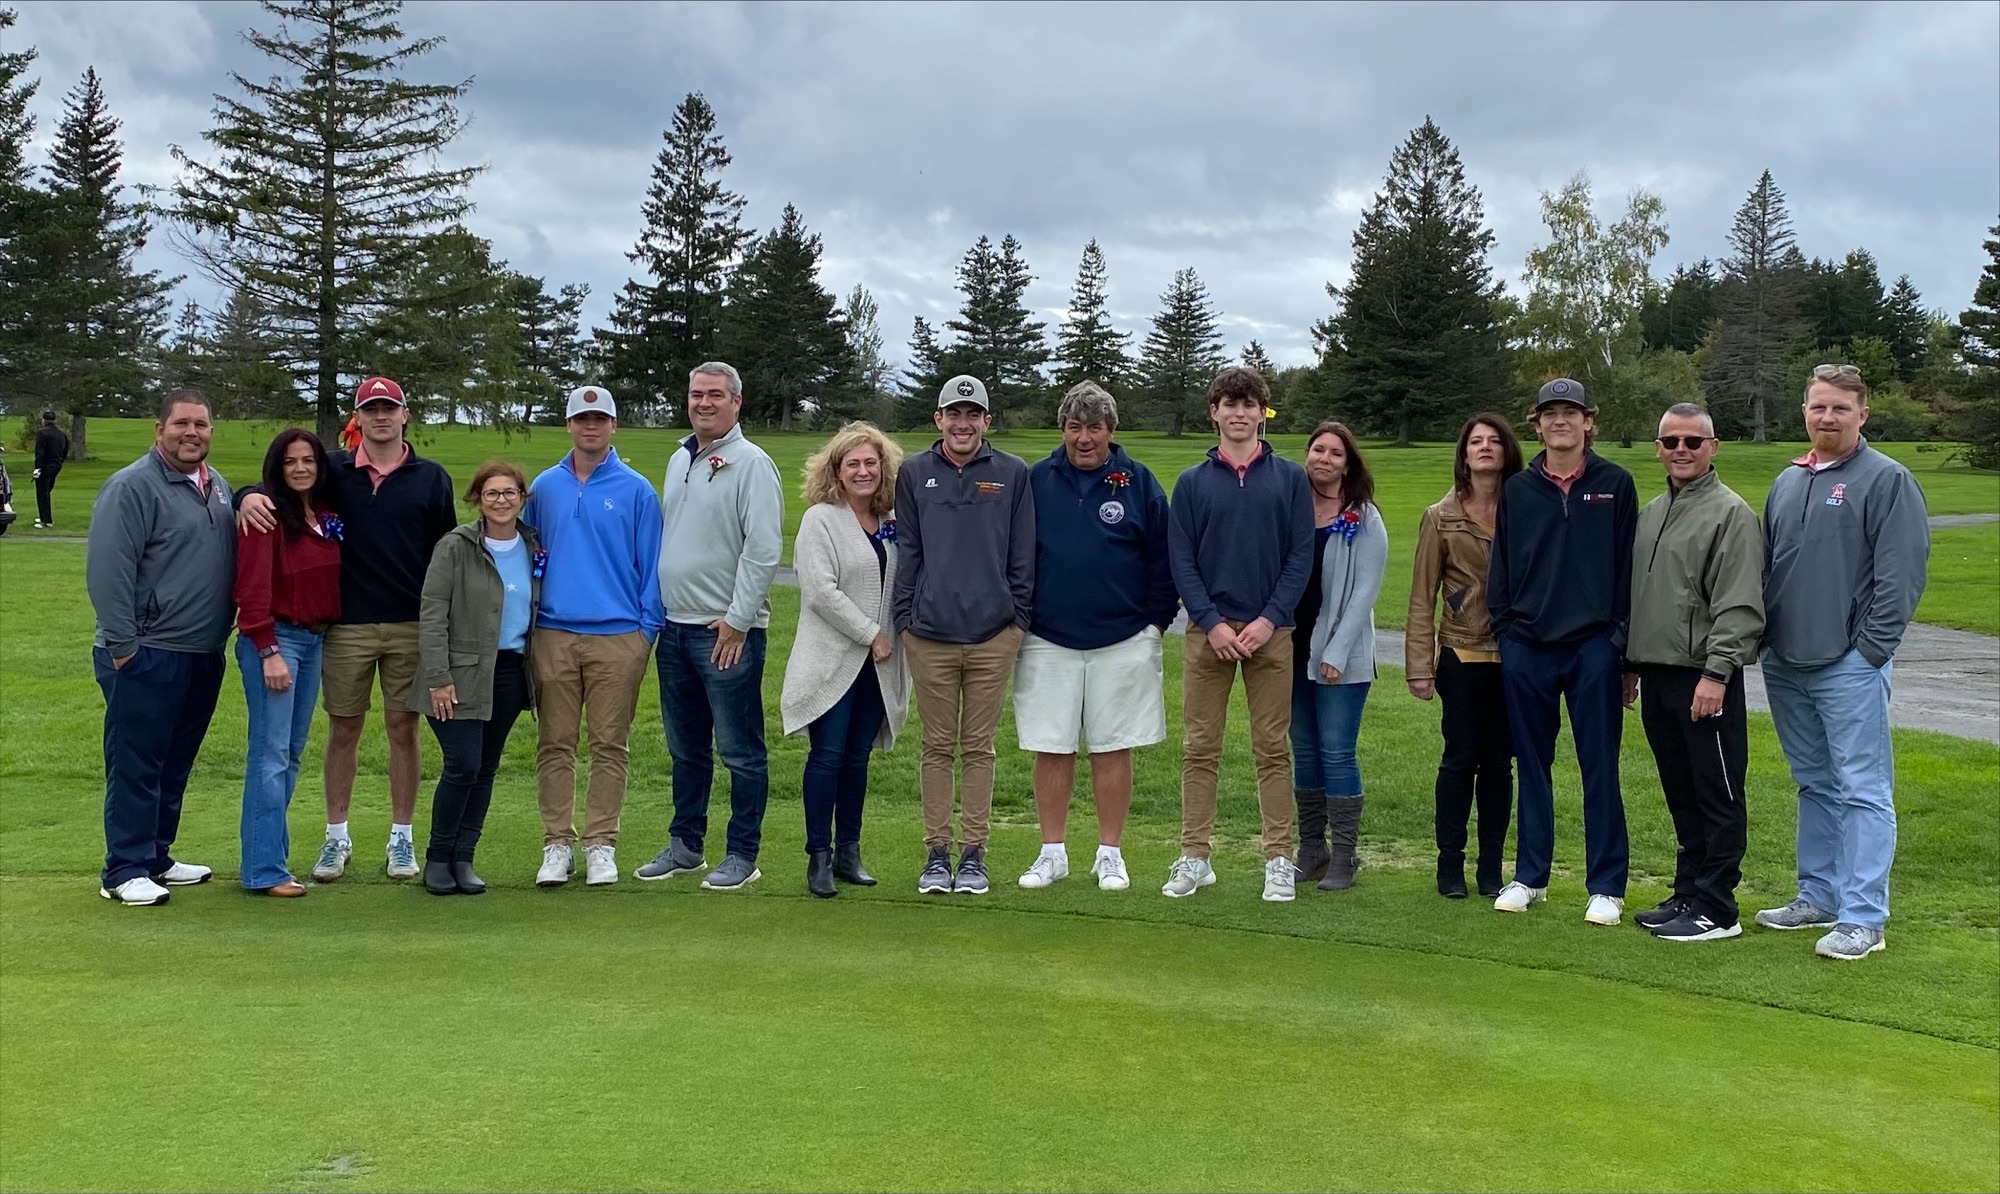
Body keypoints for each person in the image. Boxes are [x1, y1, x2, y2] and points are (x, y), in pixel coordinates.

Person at [238, 376, 457, 883]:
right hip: (344, 626)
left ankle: (401, 839)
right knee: (344, 729)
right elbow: (278, 484)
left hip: (408, 623)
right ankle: (337, 837)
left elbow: (445, 556)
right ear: (357, 420)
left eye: (390, 408)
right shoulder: (334, 470)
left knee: (404, 729)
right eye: (370, 409)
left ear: (406, 414)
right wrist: (245, 494)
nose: (381, 416)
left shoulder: (431, 477)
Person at [1753, 364, 1929, 961]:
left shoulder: (1887, 479)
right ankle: (1819, 897)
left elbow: (1900, 578)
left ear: (1862, 414)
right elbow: (1771, 567)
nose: (1827, 417)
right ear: (1804, 411)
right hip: (1786, 660)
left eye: (1839, 408)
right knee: (1814, 785)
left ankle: (1863, 917)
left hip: (1848, 664)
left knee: (1863, 790)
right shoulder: (1789, 479)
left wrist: (1868, 653)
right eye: (1818, 407)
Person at [1014, 382, 1177, 894]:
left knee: (1112, 747)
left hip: (1124, 637)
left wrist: (1154, 622)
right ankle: (1052, 852)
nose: (1084, 438)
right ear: (1062, 428)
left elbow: (1163, 560)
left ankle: (1110, 853)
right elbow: (1014, 555)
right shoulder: (1036, 480)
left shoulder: (1139, 482)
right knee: (1051, 745)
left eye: (1095, 428)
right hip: (1047, 635)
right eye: (1075, 427)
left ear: (1111, 430)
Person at [1486, 378, 1638, 925]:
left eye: (1570, 413)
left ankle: (1607, 885)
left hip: (1594, 646)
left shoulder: (1615, 484)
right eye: (1550, 414)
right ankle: (1530, 875)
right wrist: (1506, 629)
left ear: (1588, 421)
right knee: (1533, 764)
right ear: (1538, 424)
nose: (1561, 422)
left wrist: (1618, 641)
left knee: (1600, 766)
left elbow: (1627, 570)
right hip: (1527, 645)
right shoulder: (1519, 491)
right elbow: (1500, 567)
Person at [1164, 366, 1314, 902]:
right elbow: (1181, 560)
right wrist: (1210, 622)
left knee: (1271, 749)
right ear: (1214, 412)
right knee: (1200, 748)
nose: (1239, 413)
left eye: (1250, 404)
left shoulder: (1290, 478)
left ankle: (1279, 857)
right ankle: (1194, 856)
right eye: (1230, 403)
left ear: (1262, 412)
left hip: (1271, 634)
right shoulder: (1192, 483)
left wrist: (1268, 619)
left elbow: (1300, 556)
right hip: (1209, 635)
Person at [634, 363, 783, 892]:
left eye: (715, 395)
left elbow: (764, 550)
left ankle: (743, 852)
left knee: (740, 751)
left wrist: (739, 621)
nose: (704, 403)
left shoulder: (752, 464)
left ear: (736, 403)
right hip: (675, 630)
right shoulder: (680, 458)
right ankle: (686, 845)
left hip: (724, 634)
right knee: (686, 748)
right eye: (696, 394)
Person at [1622, 403, 1765, 942]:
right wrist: (1629, 666)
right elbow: (1642, 597)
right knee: (1681, 791)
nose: (1682, 449)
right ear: (1658, 448)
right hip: (1657, 675)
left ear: (1713, 447)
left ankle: (1718, 907)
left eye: (1693, 441)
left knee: (1717, 792)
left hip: (1705, 677)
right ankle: (1688, 892)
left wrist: (1718, 673)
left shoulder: (1731, 514)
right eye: (1671, 441)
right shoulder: (1654, 512)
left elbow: (1739, 604)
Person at [86, 391, 234, 905]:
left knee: (174, 762)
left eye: (202, 424)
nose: (192, 432)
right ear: (159, 430)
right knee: (137, 763)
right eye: (181, 424)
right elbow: (109, 572)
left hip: (201, 652)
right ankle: (122, 868)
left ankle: (155, 856)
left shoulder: (218, 489)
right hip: (145, 651)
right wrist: (126, 648)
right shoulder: (132, 487)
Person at [893, 374, 1035, 896]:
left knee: (978, 748)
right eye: (954, 413)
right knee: (935, 746)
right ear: (939, 420)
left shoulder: (1012, 473)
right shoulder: (914, 473)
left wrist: (1017, 621)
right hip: (928, 634)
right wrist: (905, 619)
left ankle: (974, 854)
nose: (963, 423)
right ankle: (937, 852)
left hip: (993, 634)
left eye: (973, 414)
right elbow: (909, 551)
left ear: (986, 421)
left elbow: (1023, 555)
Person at [522, 385, 665, 888]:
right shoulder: (543, 488)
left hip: (619, 636)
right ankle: (557, 843)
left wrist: (645, 633)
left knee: (610, 744)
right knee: (555, 743)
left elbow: (651, 568)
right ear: (568, 425)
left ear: (613, 425)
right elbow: (528, 557)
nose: (591, 426)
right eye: (582, 419)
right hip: (554, 633)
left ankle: (601, 844)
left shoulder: (637, 490)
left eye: (600, 418)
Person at [779, 423, 911, 898]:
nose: (862, 471)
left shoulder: (893, 518)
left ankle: (849, 852)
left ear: (883, 468)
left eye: (870, 463)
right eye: (852, 463)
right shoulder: (821, 519)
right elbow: (819, 592)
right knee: (828, 757)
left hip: (881, 664)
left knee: (857, 759)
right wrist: (870, 633)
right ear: (836, 470)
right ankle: (819, 856)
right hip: (834, 659)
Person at [1406, 414, 1524, 899]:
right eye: (1476, 441)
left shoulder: (1525, 508)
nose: (1485, 448)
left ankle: (1491, 867)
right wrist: (1419, 665)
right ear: (1464, 452)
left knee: (1500, 765)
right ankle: (1449, 863)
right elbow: (1421, 595)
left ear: (1507, 451)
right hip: (1461, 651)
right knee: (1459, 761)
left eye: (1494, 441)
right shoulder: (1441, 516)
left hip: (1516, 656)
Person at [413, 461, 543, 896]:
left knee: (485, 768)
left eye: (510, 493)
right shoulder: (455, 546)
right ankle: (437, 857)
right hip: (457, 674)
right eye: (492, 493)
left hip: (509, 671)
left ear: (522, 498)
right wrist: (438, 677)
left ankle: (464, 858)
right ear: (478, 500)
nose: (502, 500)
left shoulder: (532, 545)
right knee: (462, 764)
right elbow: (432, 613)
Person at [231, 429, 341, 898]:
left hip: (314, 642)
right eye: (290, 461)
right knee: (270, 756)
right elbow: (251, 587)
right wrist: (268, 649)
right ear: (276, 468)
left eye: (309, 460)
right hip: (276, 641)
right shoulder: (266, 515)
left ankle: (271, 859)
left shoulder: (326, 516)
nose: (300, 468)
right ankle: (262, 870)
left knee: (290, 755)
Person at [1291, 421, 1386, 893]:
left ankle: (1346, 855)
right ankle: (1312, 850)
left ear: (1348, 463)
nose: (1324, 459)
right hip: (1290, 649)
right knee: (1304, 752)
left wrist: (1337, 650)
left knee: (1336, 752)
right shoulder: (1290, 505)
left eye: (1334, 453)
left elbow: (1366, 590)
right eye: (1317, 450)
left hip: (1339, 658)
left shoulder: (1362, 516)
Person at [32, 409, 68, 528]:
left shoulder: (42, 433)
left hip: (46, 466)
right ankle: (45, 517)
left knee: (42, 493)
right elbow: (65, 451)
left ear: (44, 420)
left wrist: (38, 467)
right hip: (57, 465)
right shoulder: (61, 434)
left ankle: (46, 521)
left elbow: (40, 452)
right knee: (47, 491)